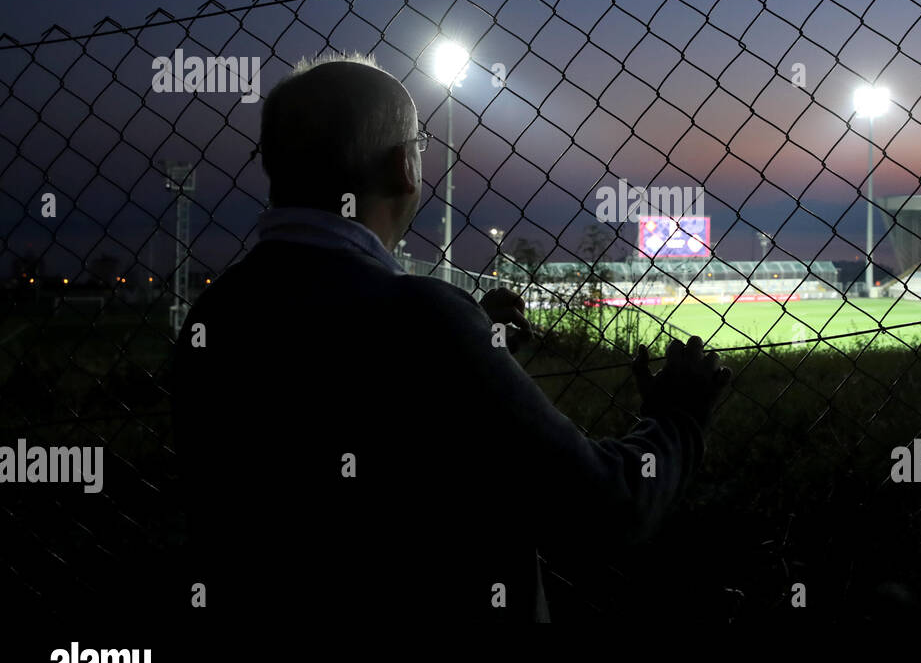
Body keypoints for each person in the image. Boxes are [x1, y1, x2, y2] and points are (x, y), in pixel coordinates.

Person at [170, 52, 730, 623]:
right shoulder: (423, 319)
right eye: (419, 146)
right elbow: (606, 510)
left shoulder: (215, 315)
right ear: (403, 168)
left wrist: (478, 342)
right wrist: (679, 417)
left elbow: (354, 396)